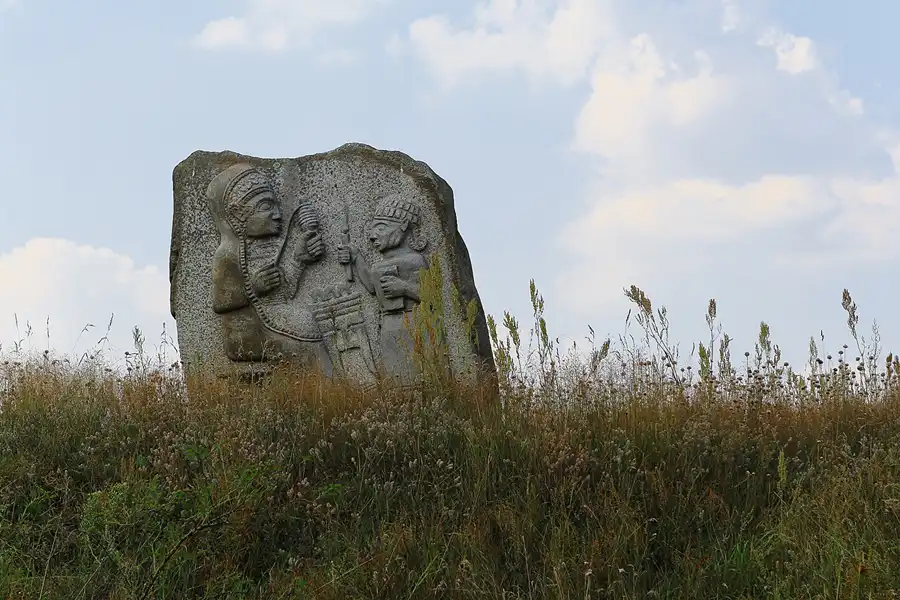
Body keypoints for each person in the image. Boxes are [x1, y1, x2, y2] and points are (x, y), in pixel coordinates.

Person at [207, 163, 333, 376]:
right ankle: (319, 391)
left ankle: (327, 391)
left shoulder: (261, 248)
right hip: (245, 333)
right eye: (266, 207)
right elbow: (220, 303)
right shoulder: (227, 255)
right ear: (237, 212)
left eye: (276, 206)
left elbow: (284, 295)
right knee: (306, 332)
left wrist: (298, 260)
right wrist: (253, 288)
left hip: (272, 319)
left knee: (313, 321)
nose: (277, 215)